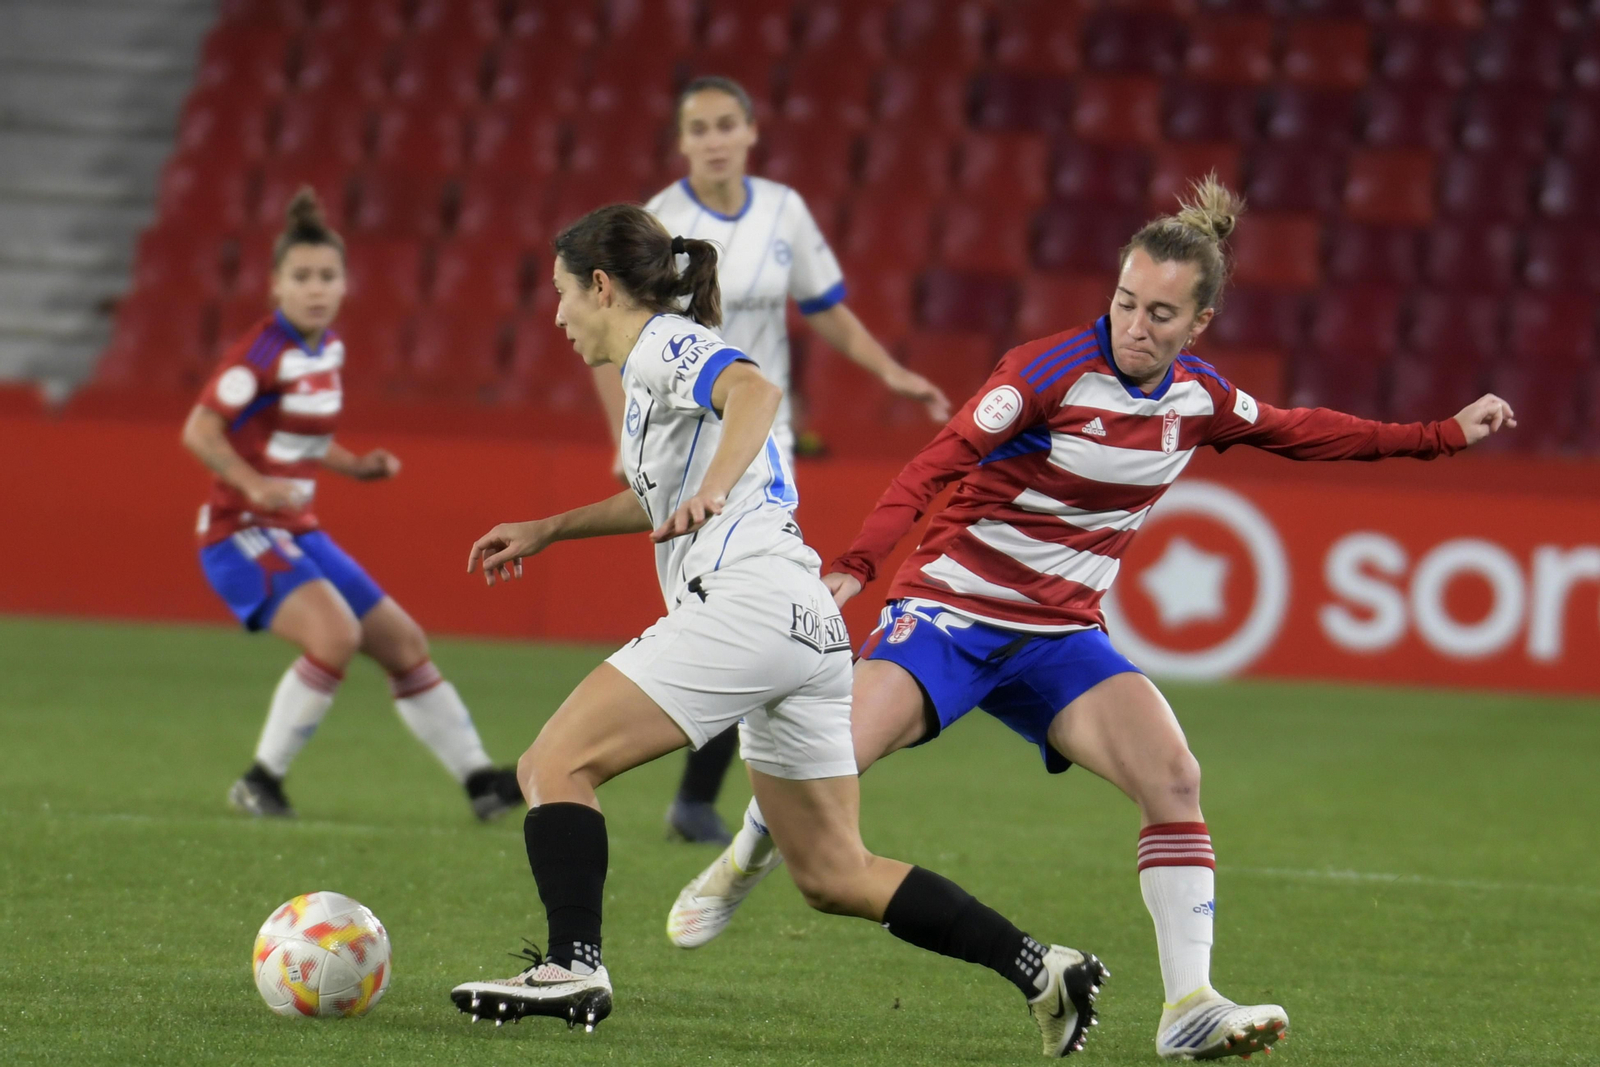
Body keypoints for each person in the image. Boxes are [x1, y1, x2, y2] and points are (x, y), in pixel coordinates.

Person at [666, 177, 1518, 1062]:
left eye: (1158, 313)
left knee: (1175, 777)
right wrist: (855, 565)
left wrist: (1442, 434)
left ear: (1199, 324)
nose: (1134, 325)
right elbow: (931, 467)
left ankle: (1188, 1003)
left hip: (1061, 636)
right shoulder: (1044, 372)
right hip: (954, 611)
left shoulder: (1203, 399)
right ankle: (747, 855)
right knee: (829, 760)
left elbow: (1307, 429)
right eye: (1123, 301)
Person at [449, 204, 1108, 1057]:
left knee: (553, 764)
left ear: (601, 287)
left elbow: (755, 388)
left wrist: (717, 488)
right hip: (807, 621)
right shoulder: (653, 379)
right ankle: (1042, 966)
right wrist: (549, 526)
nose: (558, 315)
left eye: (563, 294)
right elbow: (655, 497)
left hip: (747, 601)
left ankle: (573, 963)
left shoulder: (659, 342)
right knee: (835, 873)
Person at [591, 75, 953, 846]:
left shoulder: (784, 209)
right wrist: (627, 442)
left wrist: (890, 372)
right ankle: (701, 790)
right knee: (730, 613)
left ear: (752, 132)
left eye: (728, 124)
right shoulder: (663, 221)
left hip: (762, 434)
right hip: (690, 439)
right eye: (700, 127)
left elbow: (824, 309)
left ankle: (703, 796)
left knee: (741, 611)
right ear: (682, 140)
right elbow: (611, 335)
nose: (715, 138)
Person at [181, 188, 523, 821]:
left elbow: (301, 436)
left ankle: (480, 783)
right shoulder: (261, 353)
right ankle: (260, 779)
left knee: (404, 644)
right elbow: (199, 430)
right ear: (275, 285)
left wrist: (353, 464)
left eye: (327, 276)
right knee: (335, 635)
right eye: (302, 277)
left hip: (297, 529)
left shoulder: (325, 348)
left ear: (344, 285)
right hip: (241, 531)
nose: (315, 288)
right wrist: (253, 487)